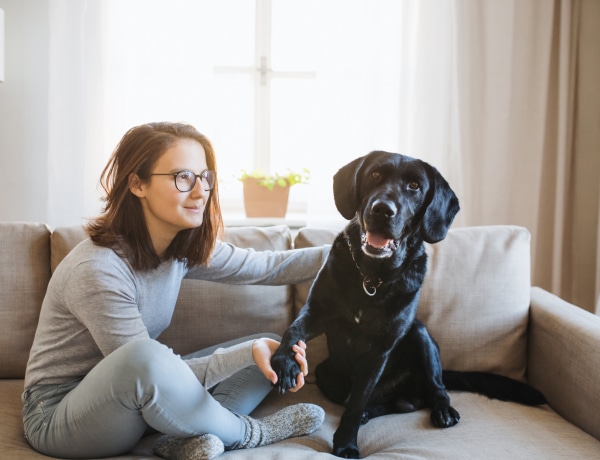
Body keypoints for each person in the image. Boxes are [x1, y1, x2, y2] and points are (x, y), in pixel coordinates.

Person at [22, 122, 329, 460]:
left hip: (137, 399)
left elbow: (271, 267)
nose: (200, 192)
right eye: (183, 177)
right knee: (147, 356)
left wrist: (360, 250)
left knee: (268, 348)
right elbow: (147, 370)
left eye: (205, 177)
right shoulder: (98, 270)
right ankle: (247, 433)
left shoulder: (177, 248)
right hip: (61, 415)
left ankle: (187, 439)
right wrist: (246, 352)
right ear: (137, 184)